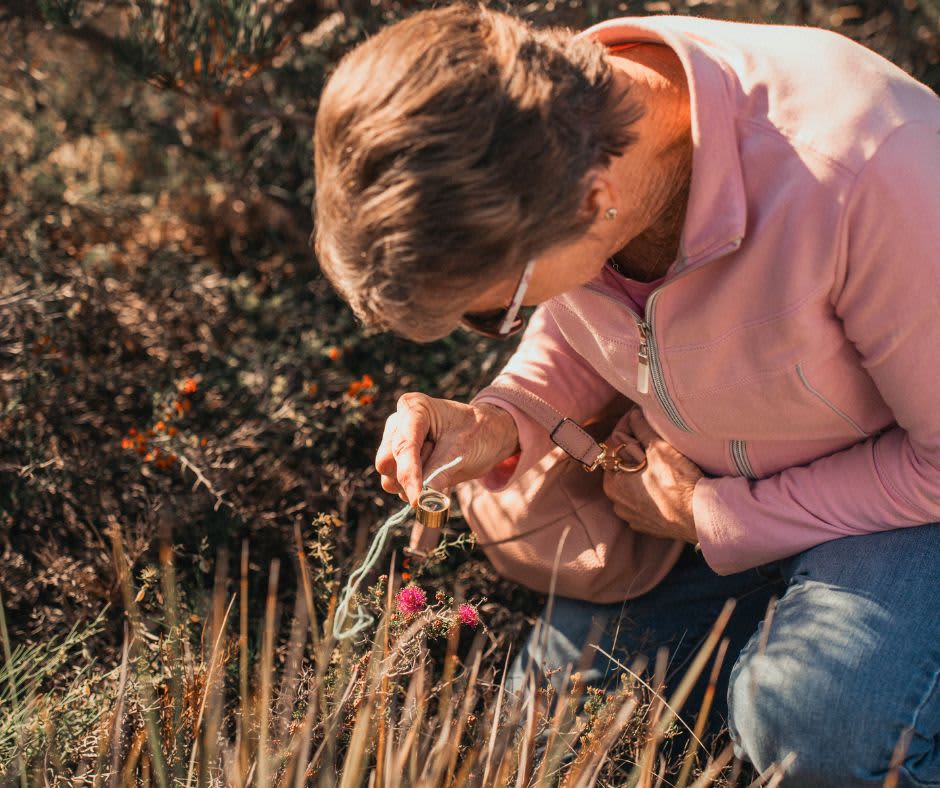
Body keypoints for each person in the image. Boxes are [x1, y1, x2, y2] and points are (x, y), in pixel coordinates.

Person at [312, 5, 940, 783]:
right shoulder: (560, 123)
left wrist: (716, 517)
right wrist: (504, 416)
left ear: (592, 204)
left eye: (493, 310)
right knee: (545, 746)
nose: (502, 323)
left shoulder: (867, 171)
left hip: (910, 499)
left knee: (817, 726)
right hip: (708, 485)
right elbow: (597, 315)